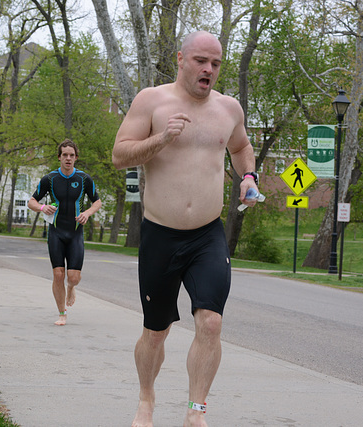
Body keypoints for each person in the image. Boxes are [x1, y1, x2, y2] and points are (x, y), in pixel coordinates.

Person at [112, 31, 261, 427]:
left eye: (215, 63)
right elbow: (119, 153)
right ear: (181, 59)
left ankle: (196, 412)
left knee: (211, 321)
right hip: (160, 233)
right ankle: (146, 399)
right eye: (200, 61)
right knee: (155, 332)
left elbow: (241, 148)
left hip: (207, 234)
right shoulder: (152, 100)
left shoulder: (229, 109)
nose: (208, 70)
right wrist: (161, 138)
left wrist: (248, 177)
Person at [28, 139, 102, 326]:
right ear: (59, 157)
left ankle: (71, 287)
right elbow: (31, 202)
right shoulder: (49, 179)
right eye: (64, 155)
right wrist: (42, 207)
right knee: (58, 274)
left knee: (73, 277)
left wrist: (87, 213)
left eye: (71, 155)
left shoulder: (84, 179)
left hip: (76, 232)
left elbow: (97, 202)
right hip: (56, 232)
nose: (68, 158)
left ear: (76, 157)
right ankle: (62, 313)